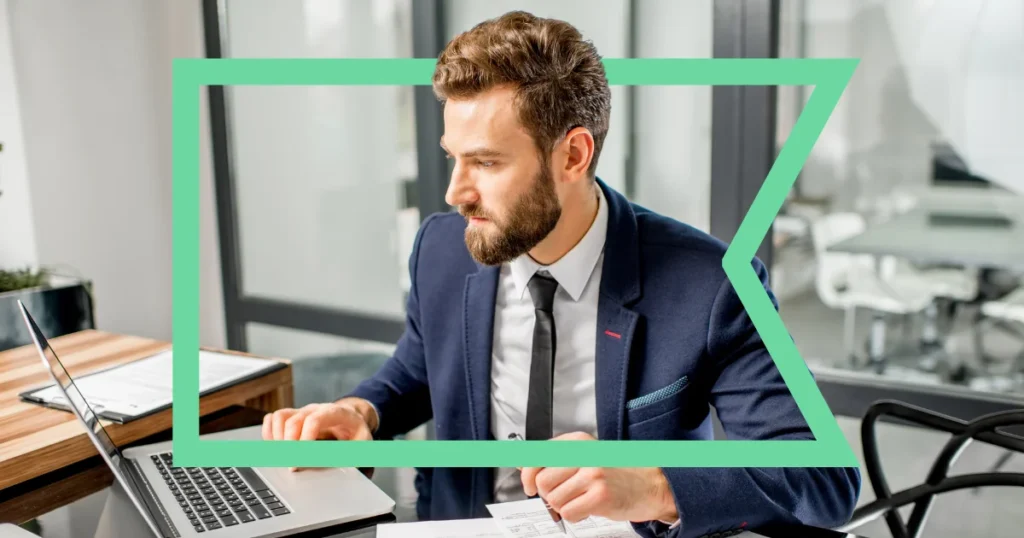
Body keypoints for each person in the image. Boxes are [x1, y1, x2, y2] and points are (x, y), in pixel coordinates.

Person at [262, 10, 861, 538]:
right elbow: (419, 368)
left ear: (573, 155)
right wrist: (362, 411)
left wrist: (656, 486)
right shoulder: (442, 249)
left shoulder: (714, 285)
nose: (455, 193)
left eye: (487, 162)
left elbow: (824, 476)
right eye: (454, 157)